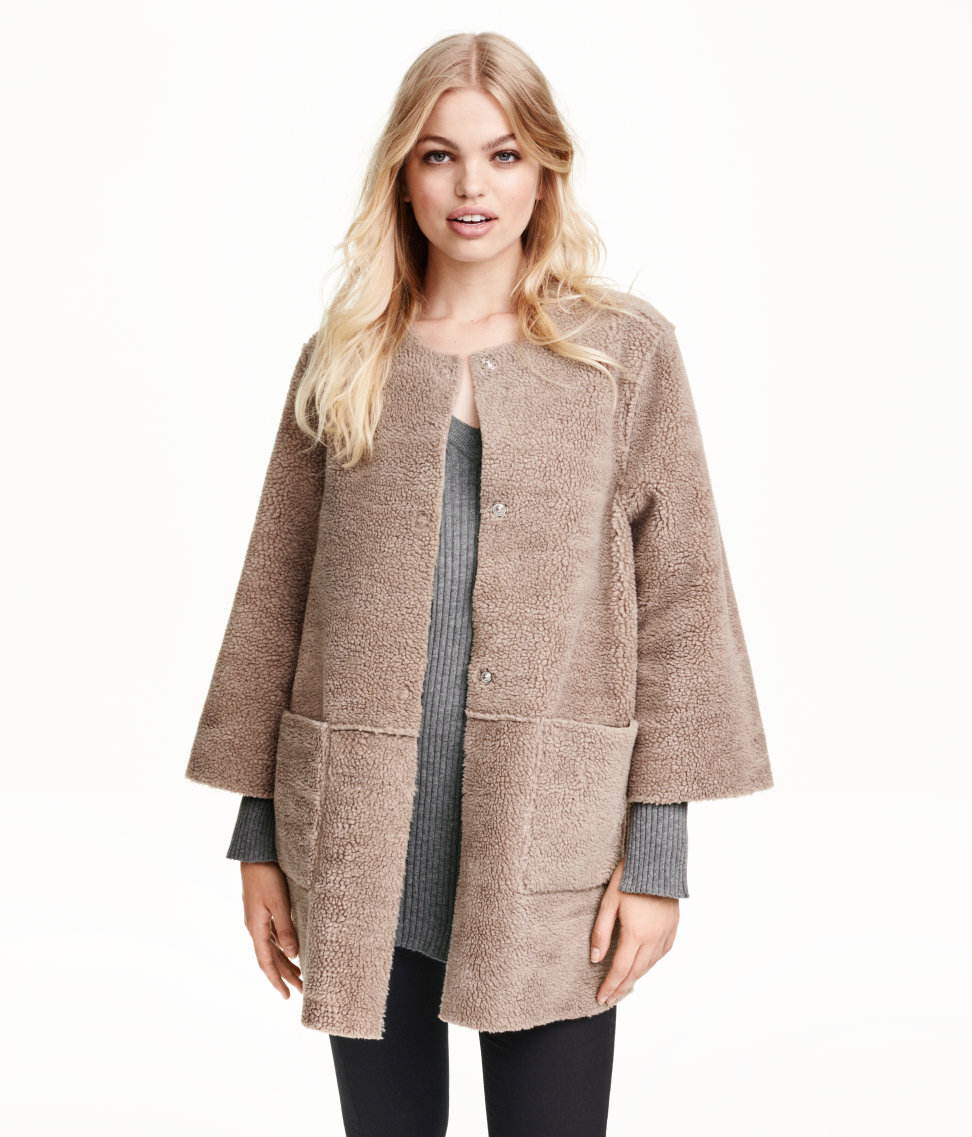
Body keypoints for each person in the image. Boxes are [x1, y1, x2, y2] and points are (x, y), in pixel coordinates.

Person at [186, 31, 772, 1137]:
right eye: (439, 156)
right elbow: (277, 601)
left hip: (552, 839)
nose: (472, 187)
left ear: (544, 170)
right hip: (360, 836)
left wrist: (658, 856)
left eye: (503, 155)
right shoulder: (345, 356)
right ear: (402, 175)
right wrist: (259, 840)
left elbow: (684, 602)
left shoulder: (623, 353)